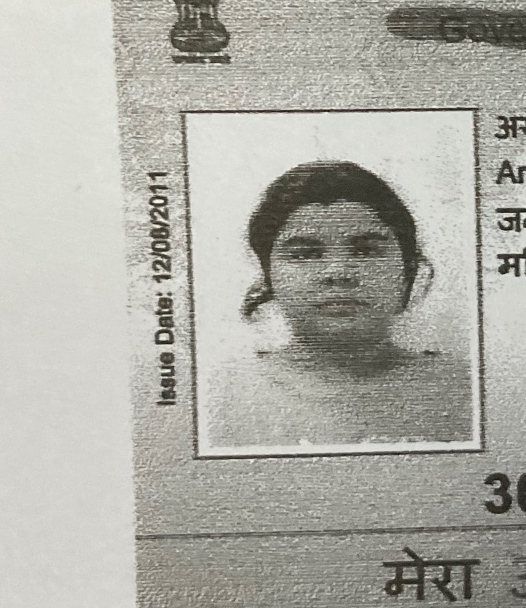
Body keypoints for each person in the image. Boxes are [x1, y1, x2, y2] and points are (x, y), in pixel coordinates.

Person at [203, 160, 473, 449]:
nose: (338, 272)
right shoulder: (222, 394)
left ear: (406, 269)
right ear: (269, 275)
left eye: (366, 250)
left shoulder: (465, 387)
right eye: (305, 254)